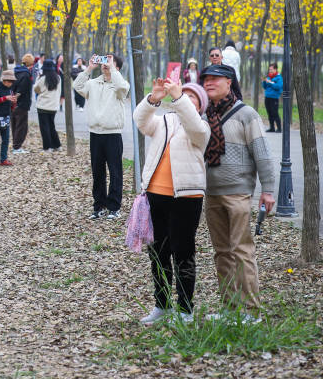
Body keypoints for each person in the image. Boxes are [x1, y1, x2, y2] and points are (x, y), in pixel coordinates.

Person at [200, 64, 275, 317]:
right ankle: (230, 309)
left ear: (229, 82)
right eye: (206, 79)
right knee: (221, 252)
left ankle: (251, 311)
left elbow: (262, 154)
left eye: (215, 79)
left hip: (239, 193)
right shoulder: (203, 115)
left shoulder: (247, 114)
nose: (209, 83)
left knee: (242, 250)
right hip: (211, 193)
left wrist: (268, 190)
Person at [134, 78, 211, 324]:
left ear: (200, 104)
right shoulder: (164, 121)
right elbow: (141, 121)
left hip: (186, 197)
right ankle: (162, 305)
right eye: (180, 94)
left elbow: (196, 131)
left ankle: (185, 309)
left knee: (183, 252)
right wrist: (154, 98)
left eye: (191, 97)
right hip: (156, 195)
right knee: (158, 252)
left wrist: (179, 98)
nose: (183, 98)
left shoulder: (201, 126)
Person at [74, 55, 130, 219]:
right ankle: (98, 206)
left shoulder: (121, 85)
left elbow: (121, 87)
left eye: (110, 64)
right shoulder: (93, 84)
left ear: (117, 68)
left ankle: (114, 207)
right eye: (104, 63)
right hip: (95, 134)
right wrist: (89, 68)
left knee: (115, 172)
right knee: (97, 172)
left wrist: (111, 68)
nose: (106, 65)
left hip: (113, 134)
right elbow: (77, 85)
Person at [34, 58, 62, 152]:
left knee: (44, 127)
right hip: (53, 106)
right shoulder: (58, 78)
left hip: (43, 106)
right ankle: (57, 145)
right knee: (51, 126)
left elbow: (36, 89)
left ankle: (47, 147)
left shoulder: (42, 79)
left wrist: (37, 78)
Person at [11, 53, 34, 154]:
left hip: (13, 103)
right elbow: (22, 90)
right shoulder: (25, 75)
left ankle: (15, 145)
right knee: (22, 126)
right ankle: (17, 147)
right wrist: (17, 98)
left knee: (15, 125)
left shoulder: (16, 71)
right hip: (21, 104)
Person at [262, 62, 283, 133]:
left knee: (275, 113)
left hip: (274, 98)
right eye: (269, 69)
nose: (270, 71)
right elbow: (265, 87)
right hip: (267, 97)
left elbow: (278, 87)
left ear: (275, 69)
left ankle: (279, 128)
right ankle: (272, 128)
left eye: (271, 69)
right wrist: (264, 82)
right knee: (269, 113)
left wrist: (270, 82)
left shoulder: (279, 78)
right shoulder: (269, 77)